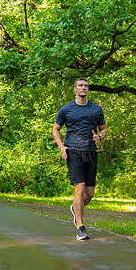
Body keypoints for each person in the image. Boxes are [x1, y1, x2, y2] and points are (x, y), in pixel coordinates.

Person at [52, 77, 107, 240]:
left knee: (90, 193)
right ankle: (80, 227)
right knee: (80, 188)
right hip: (73, 151)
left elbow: (103, 129)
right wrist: (61, 147)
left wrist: (99, 137)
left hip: (90, 152)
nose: (84, 88)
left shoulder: (96, 109)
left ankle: (75, 208)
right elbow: (56, 130)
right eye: (81, 86)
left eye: (86, 86)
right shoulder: (66, 109)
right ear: (75, 89)